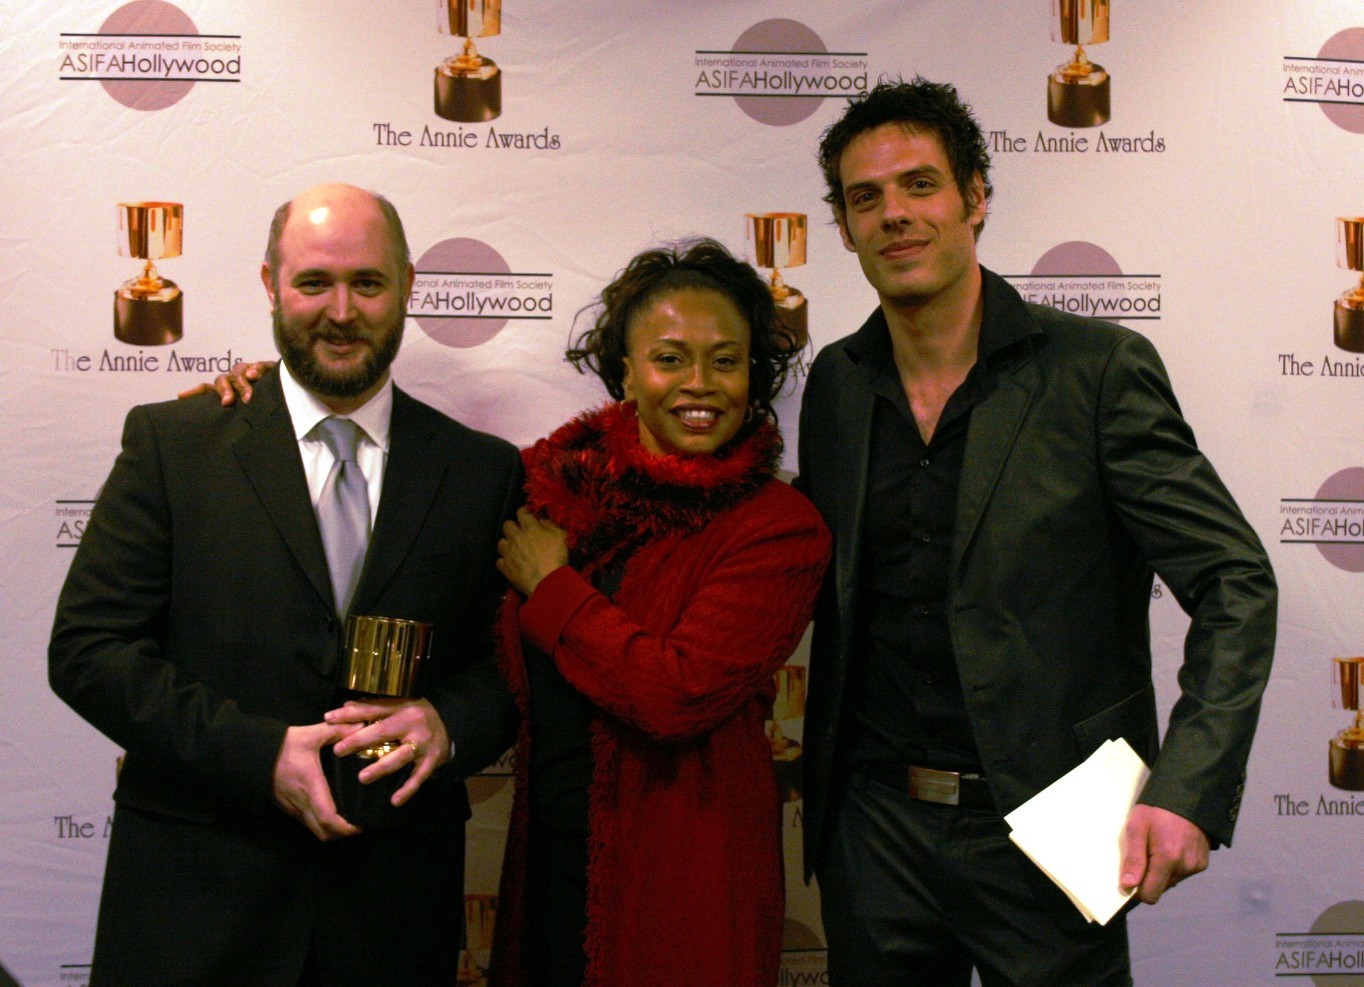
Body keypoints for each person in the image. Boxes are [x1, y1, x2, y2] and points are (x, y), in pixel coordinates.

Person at [796, 78, 1277, 986]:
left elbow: (1234, 581)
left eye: (920, 185)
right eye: (867, 198)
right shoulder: (837, 384)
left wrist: (1187, 790)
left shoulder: (1096, 372)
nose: (895, 214)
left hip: (1058, 832)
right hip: (873, 833)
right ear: (846, 226)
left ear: (977, 197)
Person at [49, 183, 523, 986]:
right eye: (314, 283)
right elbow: (87, 650)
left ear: (407, 285)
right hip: (192, 914)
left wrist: (450, 720)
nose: (342, 311)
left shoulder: (482, 471)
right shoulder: (176, 443)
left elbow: (508, 672)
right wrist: (257, 752)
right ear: (271, 284)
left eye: (367, 284)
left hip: (390, 919)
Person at [490, 240, 831, 986]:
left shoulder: (779, 526)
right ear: (626, 372)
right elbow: (414, 472)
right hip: (549, 872)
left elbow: (674, 694)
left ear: (755, 374)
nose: (700, 384)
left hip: (689, 885)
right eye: (670, 358)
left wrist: (552, 589)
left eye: (726, 360)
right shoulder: (549, 489)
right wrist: (258, 404)